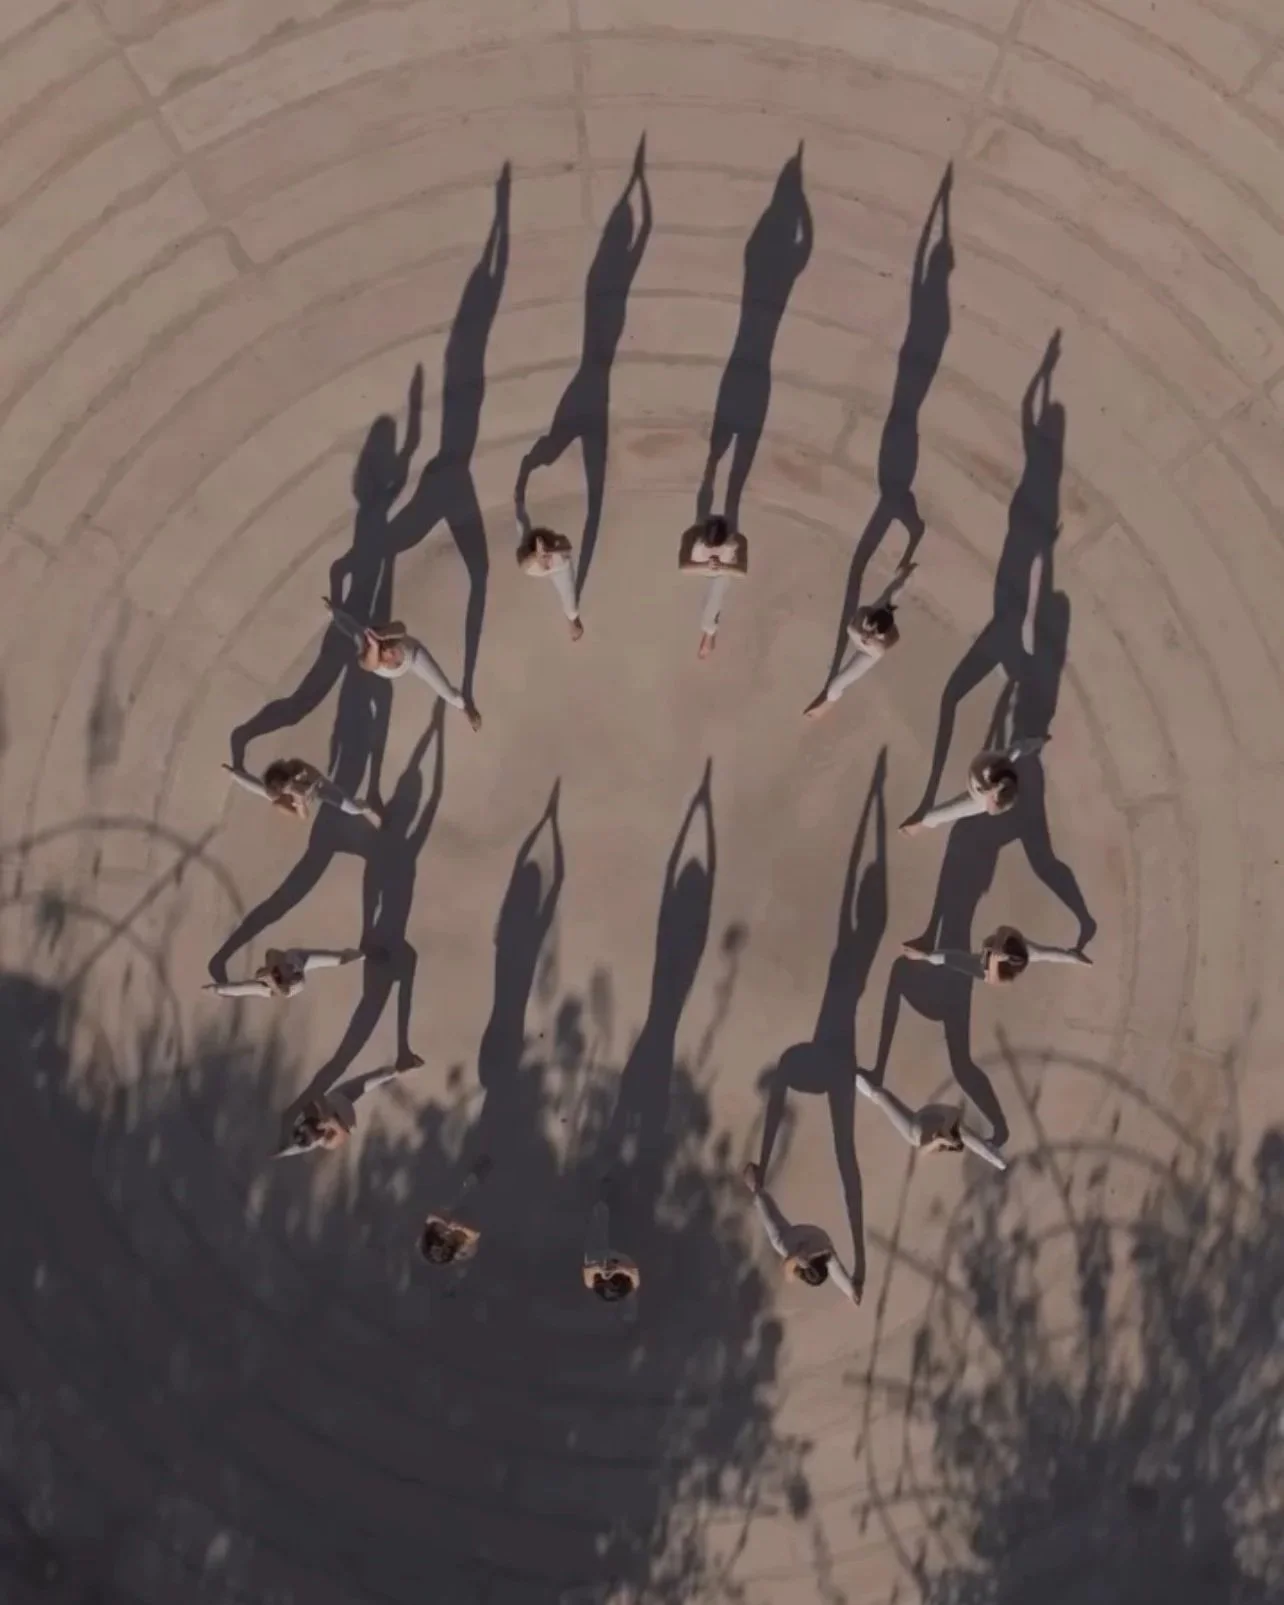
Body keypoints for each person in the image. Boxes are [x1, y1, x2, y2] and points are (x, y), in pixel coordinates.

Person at [322, 599, 481, 728]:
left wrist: (381, 635)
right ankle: (334, 612)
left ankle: (464, 708)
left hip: (416, 657)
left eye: (391, 649)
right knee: (354, 630)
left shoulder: (388, 637)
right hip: (379, 650)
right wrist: (334, 613)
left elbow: (401, 627)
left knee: (445, 690)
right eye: (387, 653)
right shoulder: (368, 655)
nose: (392, 653)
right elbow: (351, 630)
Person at [741, 1163, 861, 1303]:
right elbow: (788, 1263)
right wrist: (789, 1276)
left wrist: (851, 1292)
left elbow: (836, 1271)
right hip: (787, 1238)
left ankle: (757, 1189)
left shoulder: (826, 1252)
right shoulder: (807, 1257)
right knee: (772, 1221)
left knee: (775, 1219)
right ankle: (754, 1186)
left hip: (810, 1234)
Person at [854, 1071, 1007, 1170]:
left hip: (913, 1130)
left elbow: (922, 1151)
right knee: (965, 1133)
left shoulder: (946, 1134)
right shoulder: (953, 1120)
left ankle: (865, 1086)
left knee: (882, 1097)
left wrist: (938, 1141)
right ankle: (991, 1153)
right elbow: (953, 1114)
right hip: (926, 1117)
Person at [900, 737, 1047, 834]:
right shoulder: (983, 776)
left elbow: (1021, 747)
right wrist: (988, 792)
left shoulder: (1006, 760)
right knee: (953, 809)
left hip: (988, 782)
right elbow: (976, 773)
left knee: (954, 810)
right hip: (977, 786)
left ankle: (924, 822)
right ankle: (922, 823)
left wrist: (1039, 741)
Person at [273, 1064, 408, 1158]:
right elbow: (344, 1134)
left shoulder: (309, 1118)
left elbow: (315, 1093)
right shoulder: (326, 1142)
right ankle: (392, 1071)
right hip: (345, 1119)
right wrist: (331, 1122)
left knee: (362, 1083)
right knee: (358, 1086)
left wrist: (321, 1109)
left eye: (311, 1124)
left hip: (338, 1103)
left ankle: (392, 1071)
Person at [901, 924, 1091, 984]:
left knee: (951, 958)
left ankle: (924, 956)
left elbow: (991, 979)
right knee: (1045, 953)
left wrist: (991, 961)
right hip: (1012, 953)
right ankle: (1074, 957)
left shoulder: (995, 969)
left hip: (987, 969)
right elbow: (1004, 928)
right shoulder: (1016, 942)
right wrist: (999, 944)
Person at [806, 602, 899, 718]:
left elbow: (890, 641)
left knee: (838, 683)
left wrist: (872, 641)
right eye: (870, 629)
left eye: (875, 634)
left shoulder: (880, 646)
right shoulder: (862, 614)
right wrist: (861, 634)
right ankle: (887, 609)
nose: (869, 636)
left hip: (868, 654)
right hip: (863, 639)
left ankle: (829, 701)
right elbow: (854, 627)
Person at [222, 757, 379, 825]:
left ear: (290, 777)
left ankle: (368, 807)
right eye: (283, 789)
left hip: (316, 787)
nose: (287, 789)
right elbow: (302, 817)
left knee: (352, 808)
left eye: (286, 784)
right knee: (259, 789)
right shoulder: (278, 798)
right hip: (300, 798)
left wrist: (307, 786)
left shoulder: (298, 767)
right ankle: (234, 773)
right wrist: (300, 803)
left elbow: (319, 779)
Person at [678, 516, 748, 659]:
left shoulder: (736, 541)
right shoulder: (691, 535)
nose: (713, 552)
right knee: (707, 605)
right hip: (704, 569)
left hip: (722, 574)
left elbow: (742, 572)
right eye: (710, 546)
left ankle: (709, 637)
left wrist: (723, 566)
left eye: (718, 546)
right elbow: (683, 567)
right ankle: (711, 629)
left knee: (711, 607)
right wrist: (705, 565)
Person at [202, 945, 373, 1000]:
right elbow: (241, 988)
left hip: (298, 961)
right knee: (337, 959)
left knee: (338, 959)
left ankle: (357, 955)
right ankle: (358, 956)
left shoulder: (274, 959)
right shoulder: (275, 985)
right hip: (289, 980)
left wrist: (215, 989)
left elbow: (271, 952)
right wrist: (215, 989)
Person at [419, 1156, 493, 1268]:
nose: (445, 1235)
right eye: (446, 1243)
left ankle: (476, 1173)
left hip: (455, 1209)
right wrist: (460, 1228)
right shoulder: (463, 1248)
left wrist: (446, 1223)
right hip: (468, 1218)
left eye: (440, 1237)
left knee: (464, 1189)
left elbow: (431, 1217)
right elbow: (475, 1234)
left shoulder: (432, 1231)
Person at [518, 526, 583, 640]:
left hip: (561, 570)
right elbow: (524, 564)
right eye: (543, 558)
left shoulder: (559, 557)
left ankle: (572, 622)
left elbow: (568, 546)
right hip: (541, 564)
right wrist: (537, 555)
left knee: (569, 598)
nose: (548, 560)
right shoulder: (530, 566)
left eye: (548, 557)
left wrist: (550, 550)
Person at [582, 1182, 640, 1305]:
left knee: (599, 1218)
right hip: (617, 1250)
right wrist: (616, 1269)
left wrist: (601, 1270)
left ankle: (599, 1197)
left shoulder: (590, 1282)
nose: (607, 1280)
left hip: (597, 1251)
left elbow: (586, 1271)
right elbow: (634, 1271)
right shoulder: (632, 1281)